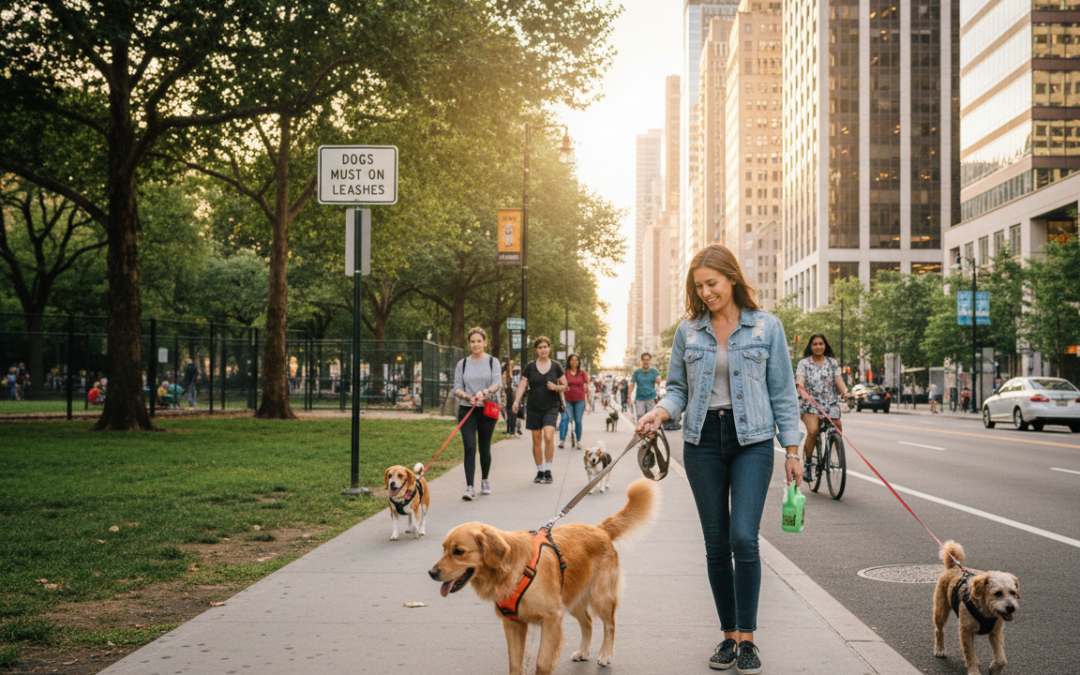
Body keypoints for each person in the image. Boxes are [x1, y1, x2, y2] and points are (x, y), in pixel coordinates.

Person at [636, 244, 801, 674]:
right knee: (716, 543)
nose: (706, 292)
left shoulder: (767, 327)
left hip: (753, 441)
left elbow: (783, 393)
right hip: (702, 441)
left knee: (744, 538)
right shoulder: (688, 331)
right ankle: (728, 636)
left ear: (732, 278)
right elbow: (677, 389)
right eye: (699, 286)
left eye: (712, 283)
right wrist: (659, 412)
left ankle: (749, 637)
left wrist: (793, 449)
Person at [452, 327, 502, 501]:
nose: (476, 344)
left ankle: (485, 480)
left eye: (479, 341)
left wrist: (486, 391)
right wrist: (466, 396)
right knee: (470, 447)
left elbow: (498, 383)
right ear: (469, 344)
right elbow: (456, 387)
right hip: (468, 409)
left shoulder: (492, 361)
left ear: (485, 342)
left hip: (487, 408)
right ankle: (469, 487)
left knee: (484, 446)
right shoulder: (463, 364)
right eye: (472, 341)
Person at [512, 336, 568, 484]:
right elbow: (523, 385)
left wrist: (555, 387)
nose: (543, 350)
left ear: (549, 348)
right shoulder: (530, 367)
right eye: (540, 347)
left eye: (545, 347)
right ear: (536, 350)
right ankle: (540, 470)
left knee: (549, 436)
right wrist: (516, 401)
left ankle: (548, 469)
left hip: (551, 406)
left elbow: (565, 386)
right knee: (536, 439)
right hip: (534, 406)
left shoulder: (556, 366)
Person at [795, 333, 849, 483]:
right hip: (810, 404)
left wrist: (845, 392)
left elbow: (839, 381)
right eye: (815, 344)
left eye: (821, 344)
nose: (818, 346)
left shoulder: (832, 363)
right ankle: (808, 464)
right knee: (813, 432)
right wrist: (803, 392)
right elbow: (800, 380)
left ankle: (837, 453)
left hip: (829, 403)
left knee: (837, 424)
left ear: (825, 345)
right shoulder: (804, 363)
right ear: (810, 347)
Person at [558, 353, 591, 448]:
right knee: (564, 419)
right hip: (567, 400)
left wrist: (588, 401)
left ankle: (578, 441)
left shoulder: (582, 374)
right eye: (572, 360)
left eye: (576, 360)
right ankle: (562, 441)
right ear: (569, 362)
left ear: (578, 362)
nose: (574, 361)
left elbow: (586, 387)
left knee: (578, 420)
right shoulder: (565, 374)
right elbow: (560, 385)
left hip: (579, 400)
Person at [628, 353, 662, 420]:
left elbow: (658, 383)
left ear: (650, 360)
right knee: (640, 418)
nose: (646, 362)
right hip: (640, 398)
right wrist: (629, 397)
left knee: (651, 418)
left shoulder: (655, 371)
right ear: (641, 361)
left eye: (647, 360)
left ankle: (650, 430)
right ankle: (642, 430)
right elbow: (632, 385)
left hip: (651, 398)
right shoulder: (636, 372)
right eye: (644, 360)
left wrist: (658, 380)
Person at [502, 359, 518, 436]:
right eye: (510, 365)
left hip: (513, 395)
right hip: (508, 396)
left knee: (514, 412)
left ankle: (513, 430)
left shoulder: (514, 374)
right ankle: (509, 430)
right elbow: (504, 385)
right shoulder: (505, 374)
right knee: (509, 413)